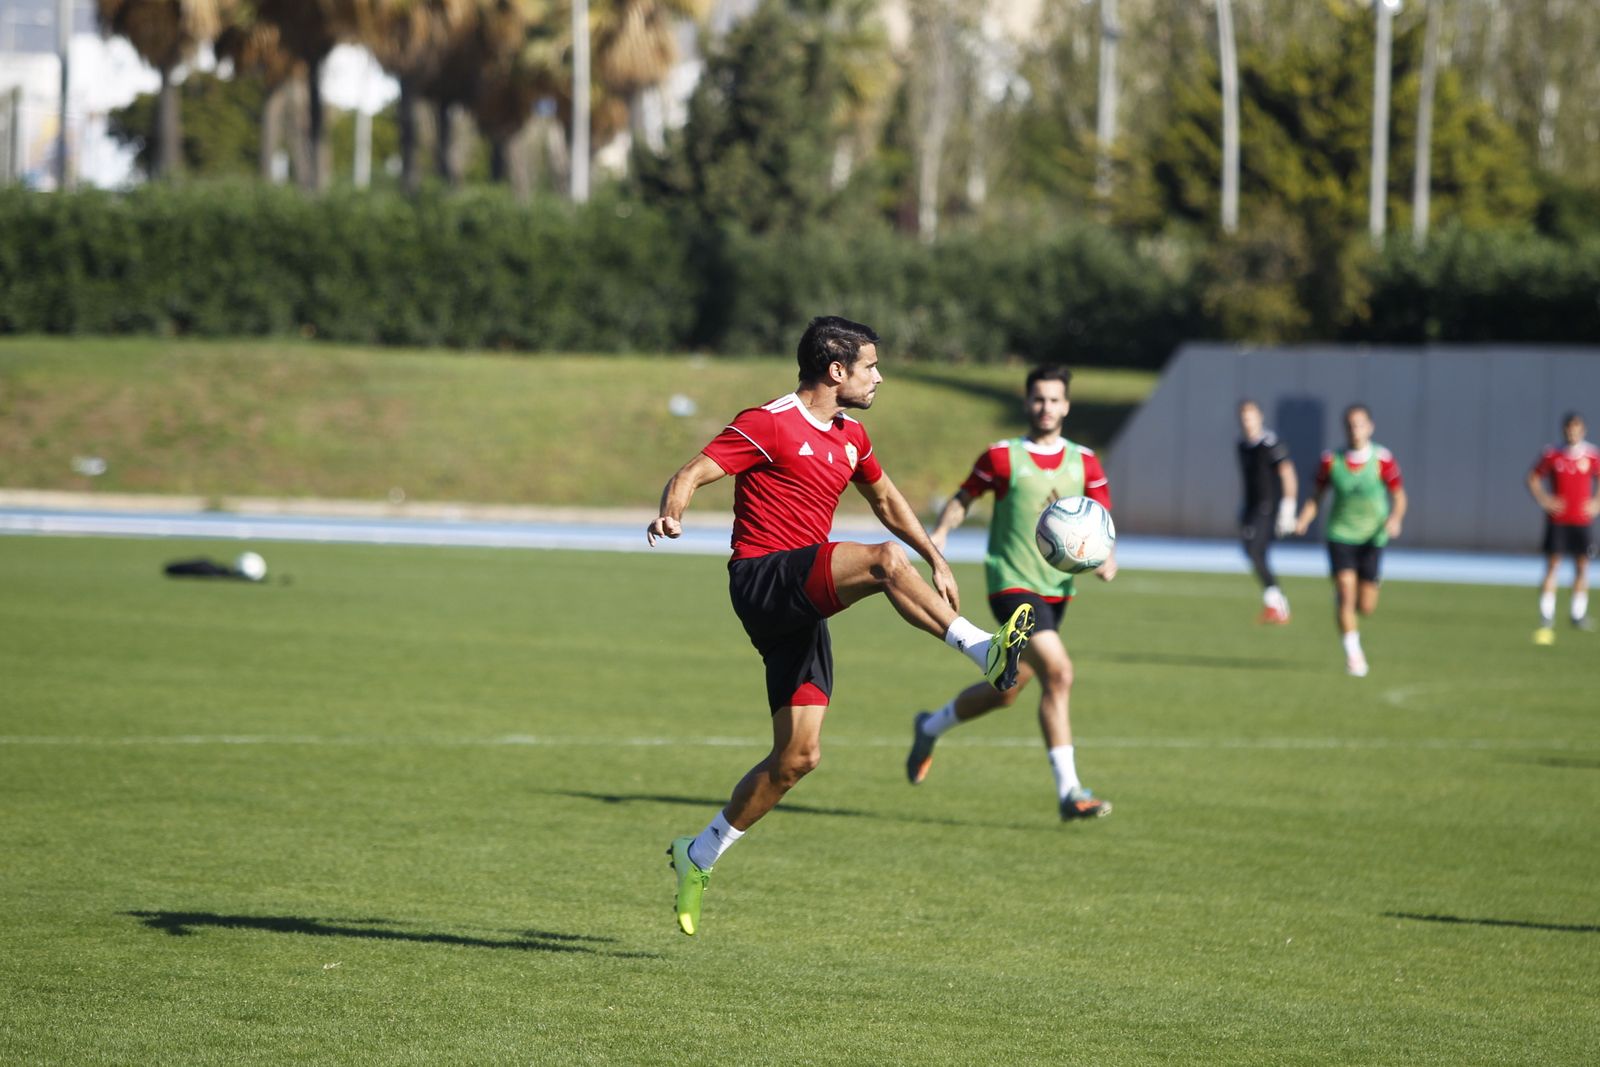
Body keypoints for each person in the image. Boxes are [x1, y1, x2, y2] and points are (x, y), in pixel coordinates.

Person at [646, 316, 1035, 936]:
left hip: (801, 600)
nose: (879, 377)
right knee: (883, 560)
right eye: (870, 366)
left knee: (799, 756)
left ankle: (699, 854)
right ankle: (984, 649)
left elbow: (885, 500)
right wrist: (672, 513)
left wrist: (936, 555)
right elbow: (692, 472)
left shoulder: (852, 434)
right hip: (764, 579)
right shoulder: (768, 421)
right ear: (836, 370)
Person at [905, 365, 1115, 821]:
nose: (1046, 407)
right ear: (1027, 403)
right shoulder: (1002, 457)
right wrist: (940, 532)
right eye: (1038, 399)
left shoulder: (1086, 461)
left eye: (1055, 400)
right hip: (1011, 585)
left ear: (1066, 405)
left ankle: (930, 726)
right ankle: (1070, 792)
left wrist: (1105, 557)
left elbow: (1101, 519)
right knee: (1059, 673)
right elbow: (964, 497)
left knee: (1007, 689)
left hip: (1058, 593)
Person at [1294, 404, 1407, 677]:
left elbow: (1399, 496)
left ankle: (1351, 603)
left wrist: (1395, 518)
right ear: (1345, 429)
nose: (1355, 430)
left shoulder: (1382, 459)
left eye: (1360, 424)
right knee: (1346, 595)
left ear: (1370, 427)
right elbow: (1317, 495)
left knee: (1365, 606)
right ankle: (1354, 655)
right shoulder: (1331, 460)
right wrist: (1305, 517)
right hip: (1340, 535)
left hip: (1372, 537)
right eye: (1350, 425)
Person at [1526, 412, 1600, 644]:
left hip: (1581, 520)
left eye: (1576, 428)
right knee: (1553, 565)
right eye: (1569, 428)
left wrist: (1597, 502)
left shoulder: (1591, 454)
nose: (1572, 432)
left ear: (1583, 430)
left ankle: (1577, 614)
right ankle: (1546, 615)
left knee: (1582, 566)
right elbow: (1533, 477)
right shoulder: (1552, 454)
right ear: (1564, 430)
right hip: (1558, 520)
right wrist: (1545, 500)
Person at [1236, 400, 1299, 623]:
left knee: (1254, 551)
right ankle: (1275, 603)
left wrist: (1288, 507)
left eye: (1251, 417)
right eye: (1244, 418)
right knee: (1254, 552)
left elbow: (1288, 474)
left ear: (1260, 417)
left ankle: (1277, 602)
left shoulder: (1271, 444)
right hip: (1251, 507)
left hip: (1268, 507)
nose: (1247, 422)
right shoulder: (1242, 446)